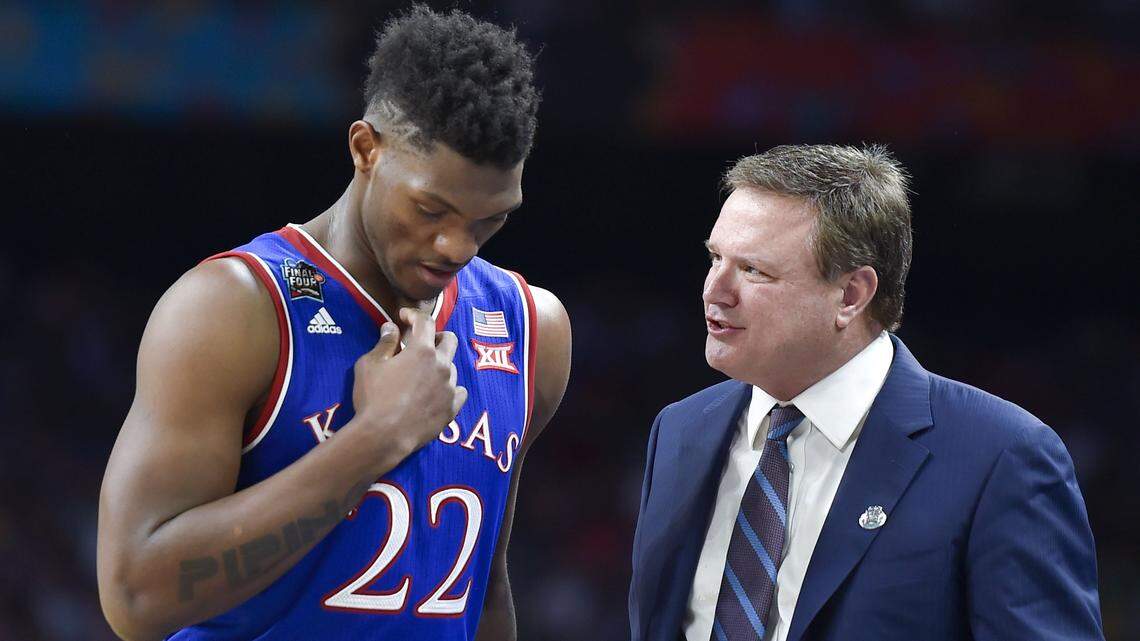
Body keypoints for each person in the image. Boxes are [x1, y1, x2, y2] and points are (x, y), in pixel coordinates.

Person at [97, 6, 570, 641]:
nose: (459, 245)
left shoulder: (530, 327)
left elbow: (482, 593)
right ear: (365, 148)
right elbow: (135, 597)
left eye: (491, 219)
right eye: (432, 208)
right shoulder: (235, 308)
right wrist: (376, 437)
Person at [628, 144, 1103, 641]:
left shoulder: (1001, 457)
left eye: (754, 270)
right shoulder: (680, 430)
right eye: (715, 258)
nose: (715, 290)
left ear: (851, 295)